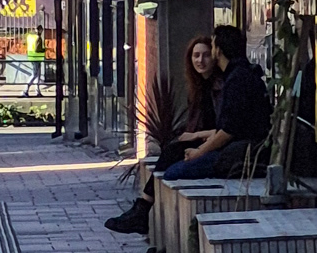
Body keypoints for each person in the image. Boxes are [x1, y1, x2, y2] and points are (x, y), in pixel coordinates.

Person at [106, 34, 223, 234]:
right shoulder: (198, 87)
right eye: (196, 56)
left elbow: (225, 128)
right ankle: (146, 215)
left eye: (205, 55)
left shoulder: (218, 87)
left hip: (215, 147)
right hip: (200, 144)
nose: (200, 61)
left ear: (214, 57)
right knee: (168, 159)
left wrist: (195, 137)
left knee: (170, 159)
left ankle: (142, 210)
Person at [159, 23, 271, 183]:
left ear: (218, 50)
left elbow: (227, 131)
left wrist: (199, 152)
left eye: (211, 47)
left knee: (173, 173)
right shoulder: (239, 75)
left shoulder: (237, 80)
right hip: (240, 147)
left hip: (241, 152)